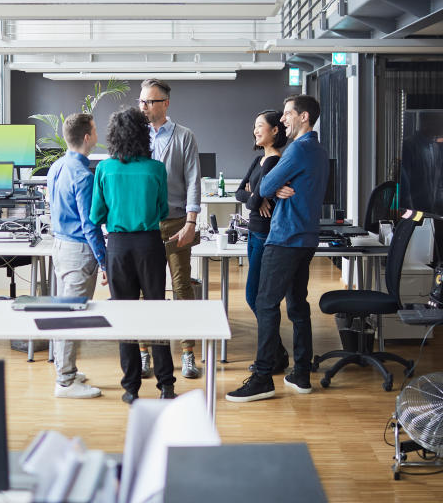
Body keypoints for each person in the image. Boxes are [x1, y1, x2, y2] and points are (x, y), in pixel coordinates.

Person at [226, 94, 329, 403]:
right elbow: (265, 187)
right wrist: (270, 184)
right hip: (306, 237)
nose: (283, 119)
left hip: (284, 238)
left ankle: (262, 377)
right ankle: (300, 374)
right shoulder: (318, 150)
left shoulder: (297, 149)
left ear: (304, 117)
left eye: (288, 114)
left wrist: (271, 184)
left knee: (266, 303)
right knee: (297, 305)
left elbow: (266, 188)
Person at [90, 108, 176, 403]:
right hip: (150, 244)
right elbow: (162, 210)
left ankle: (131, 388)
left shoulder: (104, 169)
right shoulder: (156, 169)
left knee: (123, 315)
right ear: (144, 134)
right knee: (157, 311)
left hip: (118, 247)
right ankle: (166, 384)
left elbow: (96, 215)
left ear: (114, 136)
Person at [136, 78, 202, 380]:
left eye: (150, 101)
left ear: (166, 103)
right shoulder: (135, 136)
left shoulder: (184, 136)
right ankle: (145, 352)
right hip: (144, 224)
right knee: (145, 290)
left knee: (181, 287)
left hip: (176, 221)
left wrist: (191, 222)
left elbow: (193, 180)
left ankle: (188, 353)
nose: (145, 107)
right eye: (142, 101)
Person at [45, 113, 106, 399]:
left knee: (62, 313)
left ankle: (65, 368)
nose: (97, 133)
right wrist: (104, 260)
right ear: (86, 137)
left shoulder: (57, 166)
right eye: (95, 130)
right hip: (78, 251)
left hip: (59, 245)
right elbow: (89, 224)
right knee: (70, 316)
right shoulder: (83, 175)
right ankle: (66, 381)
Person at [233, 109, 290, 374]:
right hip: (254, 232)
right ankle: (276, 352)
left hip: (266, 234)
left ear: (275, 130)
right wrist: (254, 196)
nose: (255, 131)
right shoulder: (258, 161)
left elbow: (253, 199)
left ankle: (274, 353)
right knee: (256, 296)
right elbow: (240, 193)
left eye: (260, 126)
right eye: (254, 126)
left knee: (256, 297)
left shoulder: (274, 162)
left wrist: (254, 196)